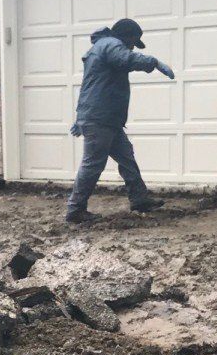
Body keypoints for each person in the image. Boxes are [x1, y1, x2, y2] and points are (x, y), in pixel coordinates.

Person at [65, 18, 175, 225]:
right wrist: (155, 62)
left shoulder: (102, 46)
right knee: (93, 164)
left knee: (126, 157)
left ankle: (140, 199)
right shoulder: (111, 44)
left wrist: (81, 116)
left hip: (106, 118)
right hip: (101, 118)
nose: (133, 47)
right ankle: (75, 209)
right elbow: (125, 59)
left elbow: (91, 85)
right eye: (133, 42)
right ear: (126, 36)